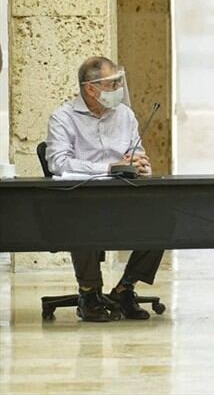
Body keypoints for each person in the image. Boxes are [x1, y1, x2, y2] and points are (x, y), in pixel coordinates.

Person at [45, 56, 163, 322]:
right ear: (90, 89)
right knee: (83, 218)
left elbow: (136, 155)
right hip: (81, 202)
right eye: (112, 84)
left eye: (119, 82)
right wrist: (108, 167)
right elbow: (58, 162)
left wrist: (140, 165)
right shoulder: (63, 118)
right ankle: (89, 293)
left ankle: (125, 288)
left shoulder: (125, 115)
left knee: (164, 219)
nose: (118, 89)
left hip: (124, 201)